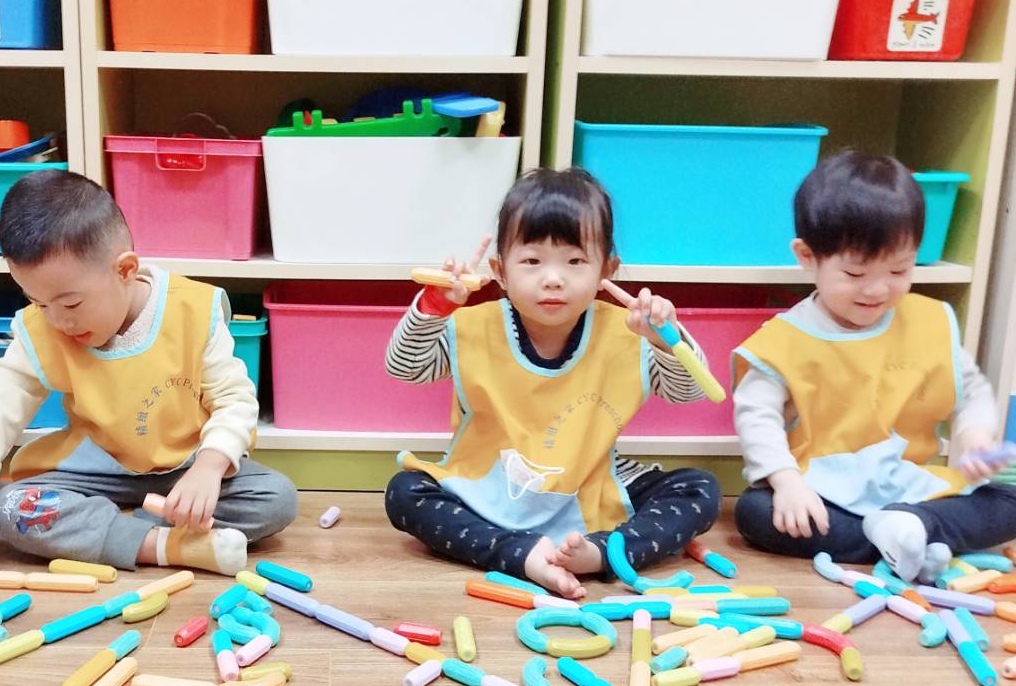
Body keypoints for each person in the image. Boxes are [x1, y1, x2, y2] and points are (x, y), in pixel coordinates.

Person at [0, 169, 297, 576]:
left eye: (71, 304)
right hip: (95, 472)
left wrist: (209, 468)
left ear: (125, 270)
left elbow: (234, 399)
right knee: (10, 508)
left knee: (276, 497)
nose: (58, 321)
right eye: (39, 303)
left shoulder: (192, 310)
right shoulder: (41, 330)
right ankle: (161, 545)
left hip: (186, 465)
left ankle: (117, 531)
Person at [384, 167, 721, 599]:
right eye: (532, 261)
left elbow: (688, 391)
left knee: (700, 489)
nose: (553, 278)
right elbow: (406, 367)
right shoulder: (473, 325)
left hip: (591, 485)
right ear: (500, 271)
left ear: (608, 269)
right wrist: (434, 307)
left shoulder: (630, 330)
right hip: (490, 486)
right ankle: (521, 553)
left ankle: (601, 553)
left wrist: (666, 340)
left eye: (575, 261)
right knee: (405, 492)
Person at [733, 151, 1016, 581]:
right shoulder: (782, 341)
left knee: (1009, 500)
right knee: (756, 511)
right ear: (807, 256)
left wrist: (975, 436)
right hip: (823, 490)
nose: (877, 290)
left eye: (899, 270)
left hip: (910, 487)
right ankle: (909, 539)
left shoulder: (928, 321)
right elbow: (757, 419)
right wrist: (786, 480)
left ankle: (914, 529)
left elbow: (971, 390)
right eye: (855, 274)